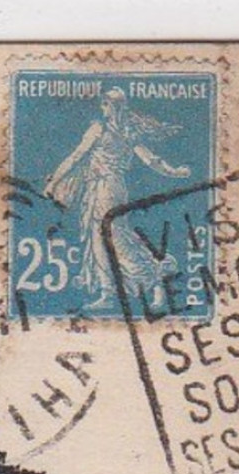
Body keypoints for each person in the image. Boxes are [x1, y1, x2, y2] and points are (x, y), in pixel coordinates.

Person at [43, 87, 192, 310]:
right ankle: (109, 292)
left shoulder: (100, 128)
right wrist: (175, 171)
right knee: (100, 240)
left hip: (105, 188)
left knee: (115, 239)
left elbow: (76, 157)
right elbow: (152, 160)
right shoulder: (128, 131)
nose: (102, 108)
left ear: (113, 107)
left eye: (105, 104)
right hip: (109, 188)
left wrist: (54, 181)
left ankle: (155, 281)